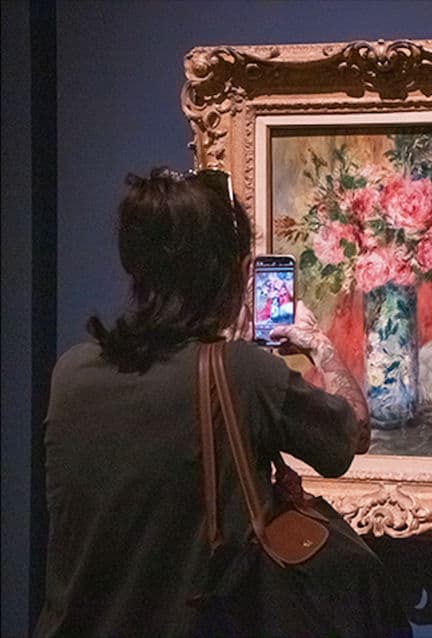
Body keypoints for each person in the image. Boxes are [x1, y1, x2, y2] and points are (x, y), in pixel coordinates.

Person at [34, 167, 411, 637]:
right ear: (227, 272)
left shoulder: (72, 373)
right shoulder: (242, 373)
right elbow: (353, 432)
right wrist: (319, 345)